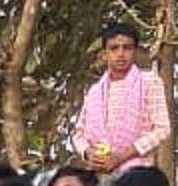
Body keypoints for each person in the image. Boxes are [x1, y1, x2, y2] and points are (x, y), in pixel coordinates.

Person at [72, 23, 172, 177]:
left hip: (137, 174)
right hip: (99, 173)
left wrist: (120, 158)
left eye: (127, 48)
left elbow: (162, 129)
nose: (121, 54)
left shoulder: (150, 82)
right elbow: (79, 134)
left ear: (135, 52)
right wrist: (89, 153)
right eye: (114, 48)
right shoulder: (95, 91)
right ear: (104, 54)